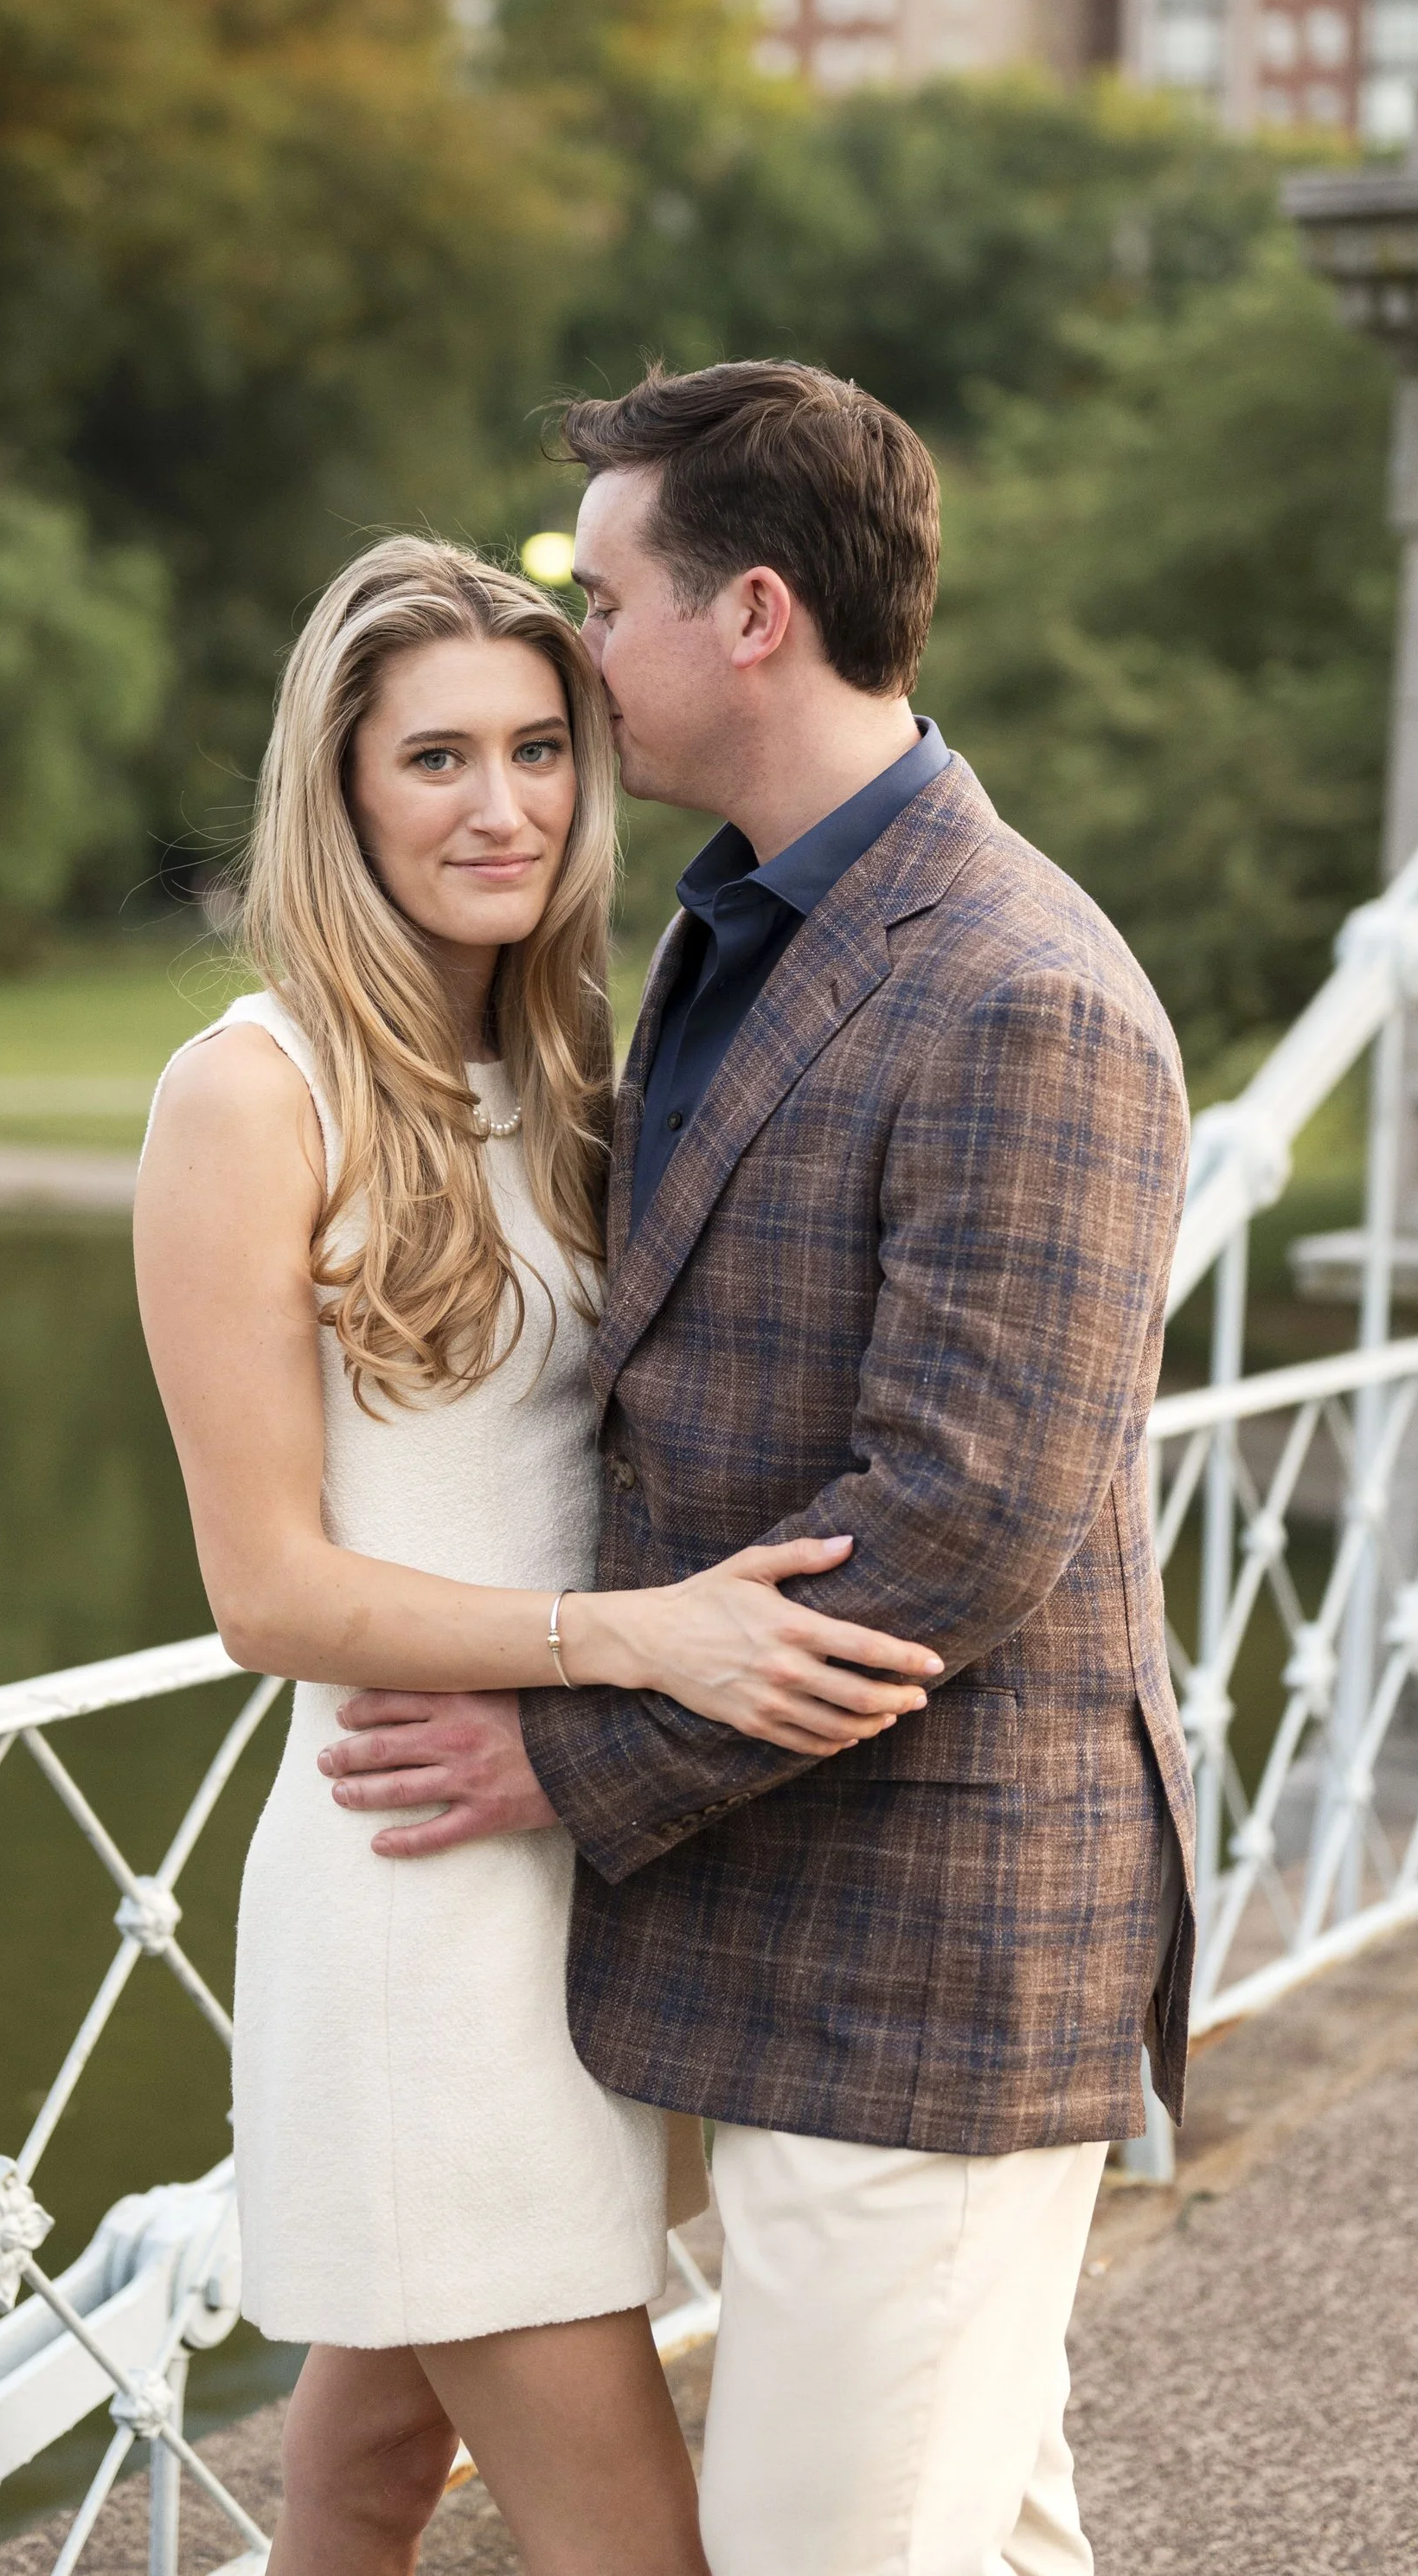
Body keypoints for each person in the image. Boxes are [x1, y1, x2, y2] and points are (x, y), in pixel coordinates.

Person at [318, 363, 1197, 2576]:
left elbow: (960, 1520)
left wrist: (561, 1756)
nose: (574, 653)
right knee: (965, 2536)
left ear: (752, 616)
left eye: (597, 601)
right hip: (778, 1920)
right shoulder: (725, 933)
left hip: (935, 1943)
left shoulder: (1017, 989)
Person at [133, 536, 940, 2576]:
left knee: (367, 2473)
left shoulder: (578, 1073)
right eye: (431, 761)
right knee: (627, 2544)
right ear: (336, 792)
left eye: (536, 748)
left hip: (585, 1867)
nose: (500, 808)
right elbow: (269, 1594)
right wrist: (639, 1641)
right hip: (415, 1898)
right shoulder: (246, 1095)